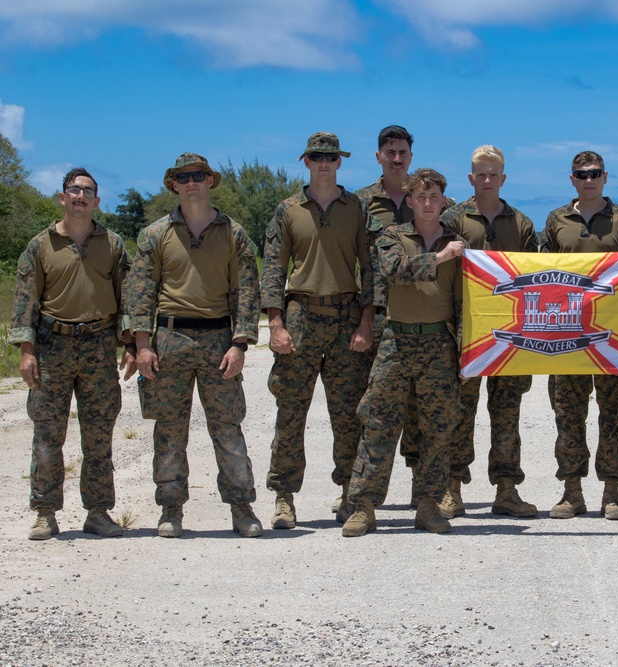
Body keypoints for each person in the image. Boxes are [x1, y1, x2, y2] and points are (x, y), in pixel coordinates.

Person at [127, 152, 263, 538]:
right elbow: (140, 293)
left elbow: (247, 292)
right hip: (168, 339)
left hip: (219, 339)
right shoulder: (155, 235)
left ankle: (241, 507)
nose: (191, 183)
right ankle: (171, 509)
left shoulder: (233, 233)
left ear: (210, 181)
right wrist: (142, 344)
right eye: (183, 177)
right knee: (169, 431)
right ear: (174, 184)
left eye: (198, 175)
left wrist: (240, 343)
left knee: (228, 427)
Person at [9, 168, 135, 540]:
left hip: (98, 346)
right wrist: (26, 351)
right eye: (74, 190)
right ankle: (45, 513)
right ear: (62, 198)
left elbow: (126, 296)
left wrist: (130, 343)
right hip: (52, 347)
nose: (80, 196)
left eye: (88, 191)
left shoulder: (112, 244)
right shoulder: (40, 245)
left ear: (97, 201)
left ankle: (98, 512)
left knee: (99, 434)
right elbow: (25, 301)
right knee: (48, 434)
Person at [260, 132, 374, 529]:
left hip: (346, 317)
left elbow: (370, 266)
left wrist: (367, 320)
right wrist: (275, 323)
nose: (323, 162)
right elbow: (273, 267)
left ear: (339, 162)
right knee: (291, 410)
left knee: (347, 414)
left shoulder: (356, 207)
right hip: (301, 317)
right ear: (306, 162)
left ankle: (349, 493)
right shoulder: (289, 209)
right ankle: (284, 497)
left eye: (330, 156)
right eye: (316, 156)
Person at [342, 168, 465, 537]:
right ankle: (363, 506)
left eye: (434, 197)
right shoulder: (392, 237)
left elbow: (465, 302)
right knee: (378, 422)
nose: (428, 204)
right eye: (420, 197)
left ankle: (428, 504)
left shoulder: (458, 244)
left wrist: (467, 353)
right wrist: (442, 257)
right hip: (397, 342)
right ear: (409, 201)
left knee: (438, 428)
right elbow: (393, 271)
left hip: (438, 344)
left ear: (444, 201)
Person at [540, 150, 618, 520]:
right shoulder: (556, 220)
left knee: (613, 414)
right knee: (568, 413)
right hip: (565, 331)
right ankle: (571, 491)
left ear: (605, 176)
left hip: (612, 333)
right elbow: (543, 269)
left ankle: (612, 492)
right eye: (581, 174)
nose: (588, 180)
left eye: (595, 173)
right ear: (572, 179)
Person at [439, 145, 538, 519]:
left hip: (512, 332)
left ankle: (507, 489)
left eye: (493, 174)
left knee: (507, 412)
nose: (486, 180)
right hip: (466, 331)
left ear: (503, 178)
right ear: (471, 177)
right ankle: (452, 489)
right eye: (480, 174)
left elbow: (535, 276)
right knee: (460, 412)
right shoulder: (452, 219)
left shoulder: (523, 224)